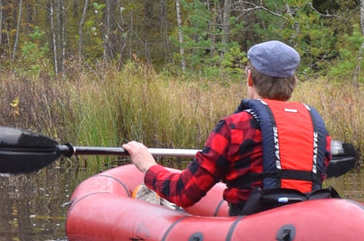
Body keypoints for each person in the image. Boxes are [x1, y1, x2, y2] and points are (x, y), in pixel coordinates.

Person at [123, 40, 332, 216]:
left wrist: (148, 166)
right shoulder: (317, 129)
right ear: (294, 82)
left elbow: (184, 193)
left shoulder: (235, 127)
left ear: (250, 78)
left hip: (249, 234)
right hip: (304, 232)